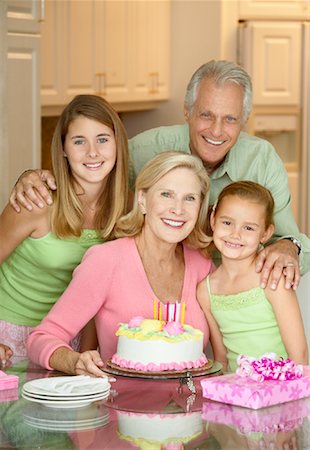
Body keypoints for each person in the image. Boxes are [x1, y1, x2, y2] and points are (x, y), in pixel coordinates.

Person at [11, 60, 310, 291]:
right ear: (187, 111)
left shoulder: (262, 160)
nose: (217, 130)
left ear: (244, 121)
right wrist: (39, 177)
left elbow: (288, 240)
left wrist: (290, 246)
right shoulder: (143, 150)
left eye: (230, 119)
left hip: (235, 292)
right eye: (206, 115)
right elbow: (91, 168)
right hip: (156, 290)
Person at [27, 151, 214, 377]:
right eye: (166, 194)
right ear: (142, 200)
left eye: (190, 198)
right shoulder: (106, 261)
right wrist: (73, 361)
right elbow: (41, 338)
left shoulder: (202, 265)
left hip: (190, 409)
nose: (178, 209)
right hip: (120, 406)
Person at [0, 94, 129, 365]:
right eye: (79, 141)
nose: (92, 152)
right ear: (63, 149)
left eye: (103, 139)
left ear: (118, 144)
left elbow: (101, 295)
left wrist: (88, 351)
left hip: (70, 341)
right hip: (9, 336)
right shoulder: (36, 201)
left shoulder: (127, 212)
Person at [196, 181, 308, 373]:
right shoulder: (206, 291)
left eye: (249, 228)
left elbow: (300, 357)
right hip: (236, 395)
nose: (235, 234)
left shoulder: (274, 280)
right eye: (227, 222)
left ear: (266, 233)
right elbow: (221, 361)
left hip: (281, 393)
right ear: (213, 219)